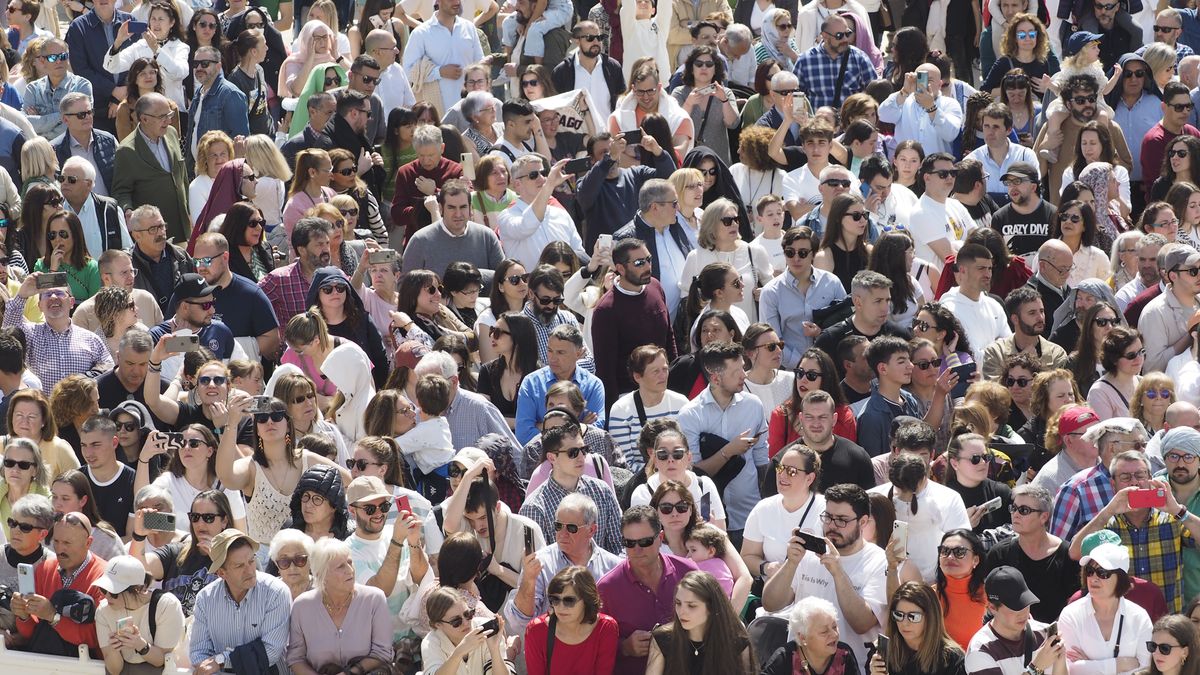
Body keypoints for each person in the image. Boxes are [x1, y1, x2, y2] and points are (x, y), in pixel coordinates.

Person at [597, 505, 700, 672]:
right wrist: (624, 646)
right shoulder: (607, 588)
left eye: (645, 542)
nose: (637, 549)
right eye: (629, 543)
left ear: (660, 538)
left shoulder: (687, 571)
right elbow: (594, 642)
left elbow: (712, 620)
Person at [189, 528, 292, 673]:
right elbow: (198, 653)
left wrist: (221, 660)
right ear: (221, 573)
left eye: (251, 561)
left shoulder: (276, 592)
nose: (250, 570)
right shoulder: (205, 598)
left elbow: (271, 652)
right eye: (239, 566)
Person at [286, 537, 394, 673]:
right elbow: (296, 659)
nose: (350, 570)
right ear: (322, 575)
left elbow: (382, 653)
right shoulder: (302, 607)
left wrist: (350, 673)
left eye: (350, 562)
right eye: (340, 566)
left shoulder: (374, 599)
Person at [592, 238, 677, 407]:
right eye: (639, 263)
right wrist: (614, 411)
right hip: (630, 400)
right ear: (620, 268)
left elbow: (669, 338)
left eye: (648, 260)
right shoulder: (606, 310)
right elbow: (605, 370)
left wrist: (676, 383)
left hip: (665, 391)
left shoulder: (656, 287)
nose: (647, 267)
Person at [11, 511, 105, 657]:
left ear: (88, 543)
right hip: (42, 661)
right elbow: (32, 633)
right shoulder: (45, 568)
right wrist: (23, 616)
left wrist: (53, 616)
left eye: (67, 543)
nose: (60, 549)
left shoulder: (103, 577)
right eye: (56, 541)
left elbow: (98, 637)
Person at [3, 271, 113, 393]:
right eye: (47, 294)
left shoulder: (91, 339)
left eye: (59, 293)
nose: (53, 297)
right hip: (44, 410)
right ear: (39, 306)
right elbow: (8, 331)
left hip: (80, 410)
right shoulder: (31, 334)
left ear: (71, 302)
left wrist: (87, 378)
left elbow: (108, 366)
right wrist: (22, 295)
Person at [1057, 539, 1153, 673]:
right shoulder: (1070, 614)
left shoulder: (1139, 617)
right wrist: (1119, 665)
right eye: (1090, 571)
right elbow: (1069, 669)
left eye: (1103, 573)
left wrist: (1089, 666)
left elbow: (1146, 670)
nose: (1094, 578)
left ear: (1121, 578)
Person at [111, 94, 190, 244]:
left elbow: (182, 175)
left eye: (169, 114)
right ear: (144, 119)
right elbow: (121, 191)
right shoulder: (127, 150)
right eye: (162, 117)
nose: (169, 120)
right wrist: (128, 211)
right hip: (153, 236)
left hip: (182, 229)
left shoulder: (172, 133)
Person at [964, 565, 1067, 675]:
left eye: (1026, 603)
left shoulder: (1044, 632)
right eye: (1015, 607)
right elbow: (1037, 667)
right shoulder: (980, 650)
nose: (1023, 613)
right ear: (992, 608)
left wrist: (1060, 659)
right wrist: (1036, 668)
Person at [401, 179, 504, 287]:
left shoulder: (486, 236)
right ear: (441, 209)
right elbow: (405, 287)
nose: (458, 214)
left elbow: (503, 278)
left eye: (463, 207)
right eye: (451, 208)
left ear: (470, 208)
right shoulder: (420, 240)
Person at [93, 553, 185, 675]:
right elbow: (114, 670)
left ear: (136, 589)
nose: (107, 596)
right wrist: (113, 649)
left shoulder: (166, 605)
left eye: (114, 592)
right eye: (104, 590)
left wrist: (139, 644)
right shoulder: (103, 610)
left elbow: (161, 660)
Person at [523, 565, 619, 675]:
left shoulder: (606, 628)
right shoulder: (536, 630)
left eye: (569, 600)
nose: (561, 607)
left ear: (587, 600)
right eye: (555, 599)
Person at [868, 581, 965, 675]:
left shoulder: (952, 660)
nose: (905, 623)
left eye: (913, 616)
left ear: (930, 618)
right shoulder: (881, 653)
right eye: (899, 615)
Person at [391, 125, 464, 243]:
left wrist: (435, 192)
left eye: (430, 155)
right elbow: (397, 214)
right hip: (417, 241)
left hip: (451, 239)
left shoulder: (456, 170)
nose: (426, 161)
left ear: (442, 148)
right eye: (421, 155)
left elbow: (464, 206)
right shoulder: (406, 172)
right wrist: (425, 208)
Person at [420, 585, 514, 674]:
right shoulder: (431, 642)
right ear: (438, 625)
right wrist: (459, 652)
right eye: (456, 621)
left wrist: (494, 651)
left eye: (468, 614)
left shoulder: (485, 630)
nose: (466, 623)